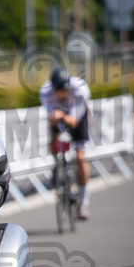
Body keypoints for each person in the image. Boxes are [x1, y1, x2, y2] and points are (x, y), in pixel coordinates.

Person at [39, 67, 92, 220]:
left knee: (80, 156)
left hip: (76, 115)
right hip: (57, 113)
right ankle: (58, 166)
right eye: (58, 91)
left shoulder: (80, 90)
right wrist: (58, 128)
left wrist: (62, 115)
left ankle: (84, 199)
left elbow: (74, 121)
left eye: (64, 91)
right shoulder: (45, 91)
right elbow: (51, 117)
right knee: (53, 140)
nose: (61, 95)